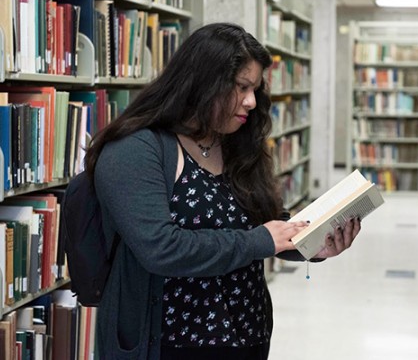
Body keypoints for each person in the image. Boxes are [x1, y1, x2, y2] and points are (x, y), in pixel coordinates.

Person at [84, 22, 362, 360]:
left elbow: (260, 226)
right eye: (241, 87)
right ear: (202, 81)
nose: (250, 101)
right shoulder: (135, 150)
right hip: (173, 344)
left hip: (247, 336)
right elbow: (160, 248)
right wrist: (261, 240)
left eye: (255, 89)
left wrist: (313, 243)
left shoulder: (234, 145)